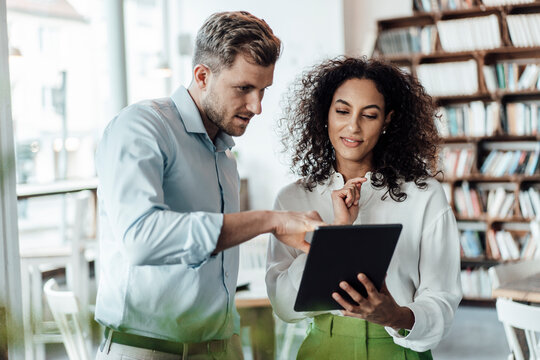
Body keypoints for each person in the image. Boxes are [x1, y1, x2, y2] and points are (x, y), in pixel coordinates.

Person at [94, 11, 324, 360]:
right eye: (244, 88)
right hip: (149, 351)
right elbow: (141, 239)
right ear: (202, 76)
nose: (257, 106)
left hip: (220, 348)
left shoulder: (225, 155)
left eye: (263, 90)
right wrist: (269, 220)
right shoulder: (141, 127)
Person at [266, 57, 462, 359]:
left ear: (387, 120)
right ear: (325, 114)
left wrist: (395, 316)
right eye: (342, 111)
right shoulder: (293, 199)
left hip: (399, 347)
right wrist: (335, 234)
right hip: (325, 347)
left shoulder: (424, 195)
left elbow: (443, 298)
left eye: (369, 115)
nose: (353, 126)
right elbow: (283, 308)